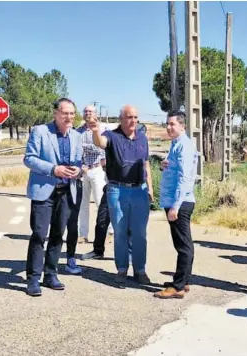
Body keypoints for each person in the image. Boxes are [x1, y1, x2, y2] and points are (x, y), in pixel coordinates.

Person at [23, 98, 83, 297]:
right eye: (65, 113)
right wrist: (53, 169)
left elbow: (79, 161)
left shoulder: (76, 136)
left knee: (58, 235)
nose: (69, 117)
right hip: (44, 191)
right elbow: (29, 159)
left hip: (66, 192)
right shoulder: (40, 131)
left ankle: (51, 274)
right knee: (39, 235)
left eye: (72, 114)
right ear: (55, 114)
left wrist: (78, 170)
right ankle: (33, 279)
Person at [90, 105, 154, 287]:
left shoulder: (142, 137)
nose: (133, 120)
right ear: (121, 119)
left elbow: (146, 164)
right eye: (129, 117)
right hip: (117, 190)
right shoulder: (112, 135)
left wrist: (150, 188)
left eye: (135, 117)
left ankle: (140, 270)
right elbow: (100, 143)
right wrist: (95, 131)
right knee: (120, 232)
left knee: (140, 233)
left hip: (139, 191)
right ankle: (122, 269)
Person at [154, 110, 198, 299]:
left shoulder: (185, 146)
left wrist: (175, 206)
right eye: (168, 124)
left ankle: (178, 286)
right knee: (181, 243)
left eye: (173, 124)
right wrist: (165, 165)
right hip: (174, 201)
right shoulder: (176, 145)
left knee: (183, 245)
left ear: (182, 125)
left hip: (180, 202)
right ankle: (183, 280)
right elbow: (176, 169)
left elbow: (185, 178)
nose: (169, 127)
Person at [76, 105, 113, 246]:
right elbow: (76, 150)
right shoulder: (78, 131)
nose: (88, 113)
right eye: (85, 111)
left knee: (101, 203)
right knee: (82, 205)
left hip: (97, 170)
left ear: (95, 114)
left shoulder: (102, 130)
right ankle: (83, 234)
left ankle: (109, 232)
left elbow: (101, 149)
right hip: (82, 172)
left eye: (90, 111)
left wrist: (86, 147)